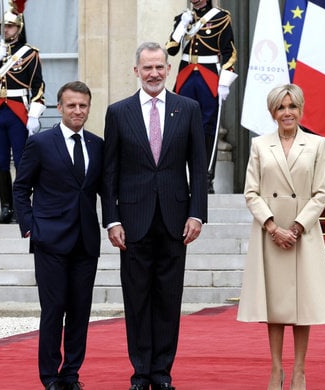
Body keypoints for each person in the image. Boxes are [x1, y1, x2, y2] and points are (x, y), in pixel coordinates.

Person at [101, 42, 208, 390]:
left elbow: (197, 166)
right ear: (136, 71)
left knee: (167, 298)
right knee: (136, 300)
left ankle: (162, 373)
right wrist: (112, 219)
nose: (154, 74)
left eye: (160, 67)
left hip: (176, 221)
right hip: (132, 223)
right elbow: (110, 172)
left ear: (168, 69)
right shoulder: (118, 112)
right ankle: (140, 372)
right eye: (147, 68)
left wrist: (197, 214)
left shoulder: (187, 108)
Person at [236, 84, 325, 390]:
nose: (287, 113)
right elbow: (251, 192)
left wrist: (296, 227)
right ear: (272, 112)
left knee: (301, 304)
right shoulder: (259, 146)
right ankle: (275, 368)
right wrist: (272, 227)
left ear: (301, 109)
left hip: (302, 234)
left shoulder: (317, 145)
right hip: (270, 233)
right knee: (276, 306)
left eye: (292, 106)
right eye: (281, 107)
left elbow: (321, 193)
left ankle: (299, 370)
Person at [12, 81, 103, 390]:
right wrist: (29, 227)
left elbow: (106, 190)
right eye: (72, 105)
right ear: (60, 108)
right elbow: (21, 189)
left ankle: (71, 374)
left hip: (86, 242)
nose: (78, 110)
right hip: (50, 240)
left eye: (83, 105)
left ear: (89, 108)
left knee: (80, 312)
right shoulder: (41, 143)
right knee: (53, 311)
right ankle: (50, 376)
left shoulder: (97, 145)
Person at [0, 7, 45, 223]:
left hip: (17, 112)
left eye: (11, 26)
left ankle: (22, 207)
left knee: (22, 162)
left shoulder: (30, 53)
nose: (7, 29)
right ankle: (6, 208)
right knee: (2, 161)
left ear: (19, 28)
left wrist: (34, 114)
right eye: (4, 26)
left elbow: (38, 86)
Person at [165, 0, 237, 194]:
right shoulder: (184, 18)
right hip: (186, 76)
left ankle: (205, 177)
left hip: (208, 76)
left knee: (208, 128)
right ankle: (180, 176)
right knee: (179, 125)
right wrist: (181, 25)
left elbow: (229, 52)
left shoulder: (221, 17)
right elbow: (171, 49)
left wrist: (225, 80)